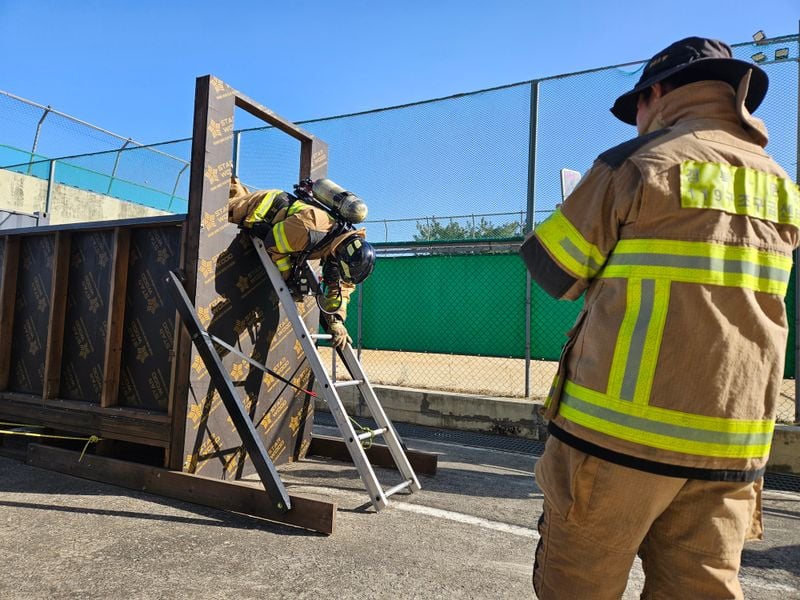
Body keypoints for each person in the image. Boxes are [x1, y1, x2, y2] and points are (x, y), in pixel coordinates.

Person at [519, 36, 800, 599]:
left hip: (615, 444)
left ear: (657, 94)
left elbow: (553, 270)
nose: (637, 121)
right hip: (731, 451)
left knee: (578, 587)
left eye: (637, 108)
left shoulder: (636, 163)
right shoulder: (782, 187)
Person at [228, 177, 375, 349]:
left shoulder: (342, 246)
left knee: (235, 197)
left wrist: (337, 322)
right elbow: (273, 244)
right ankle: (230, 177)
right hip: (262, 207)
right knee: (226, 208)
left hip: (290, 228)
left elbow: (341, 289)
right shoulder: (311, 228)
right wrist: (287, 275)